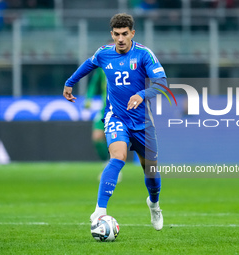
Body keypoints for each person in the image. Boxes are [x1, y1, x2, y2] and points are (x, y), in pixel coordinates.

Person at [63, 13, 166, 231]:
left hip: (143, 123)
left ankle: (154, 204)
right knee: (117, 157)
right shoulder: (104, 54)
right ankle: (100, 210)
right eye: (117, 34)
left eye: (125, 34)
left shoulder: (144, 54)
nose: (120, 38)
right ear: (112, 34)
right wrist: (70, 82)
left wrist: (142, 94)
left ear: (132, 34)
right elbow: (88, 65)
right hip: (116, 117)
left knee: (151, 174)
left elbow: (162, 84)